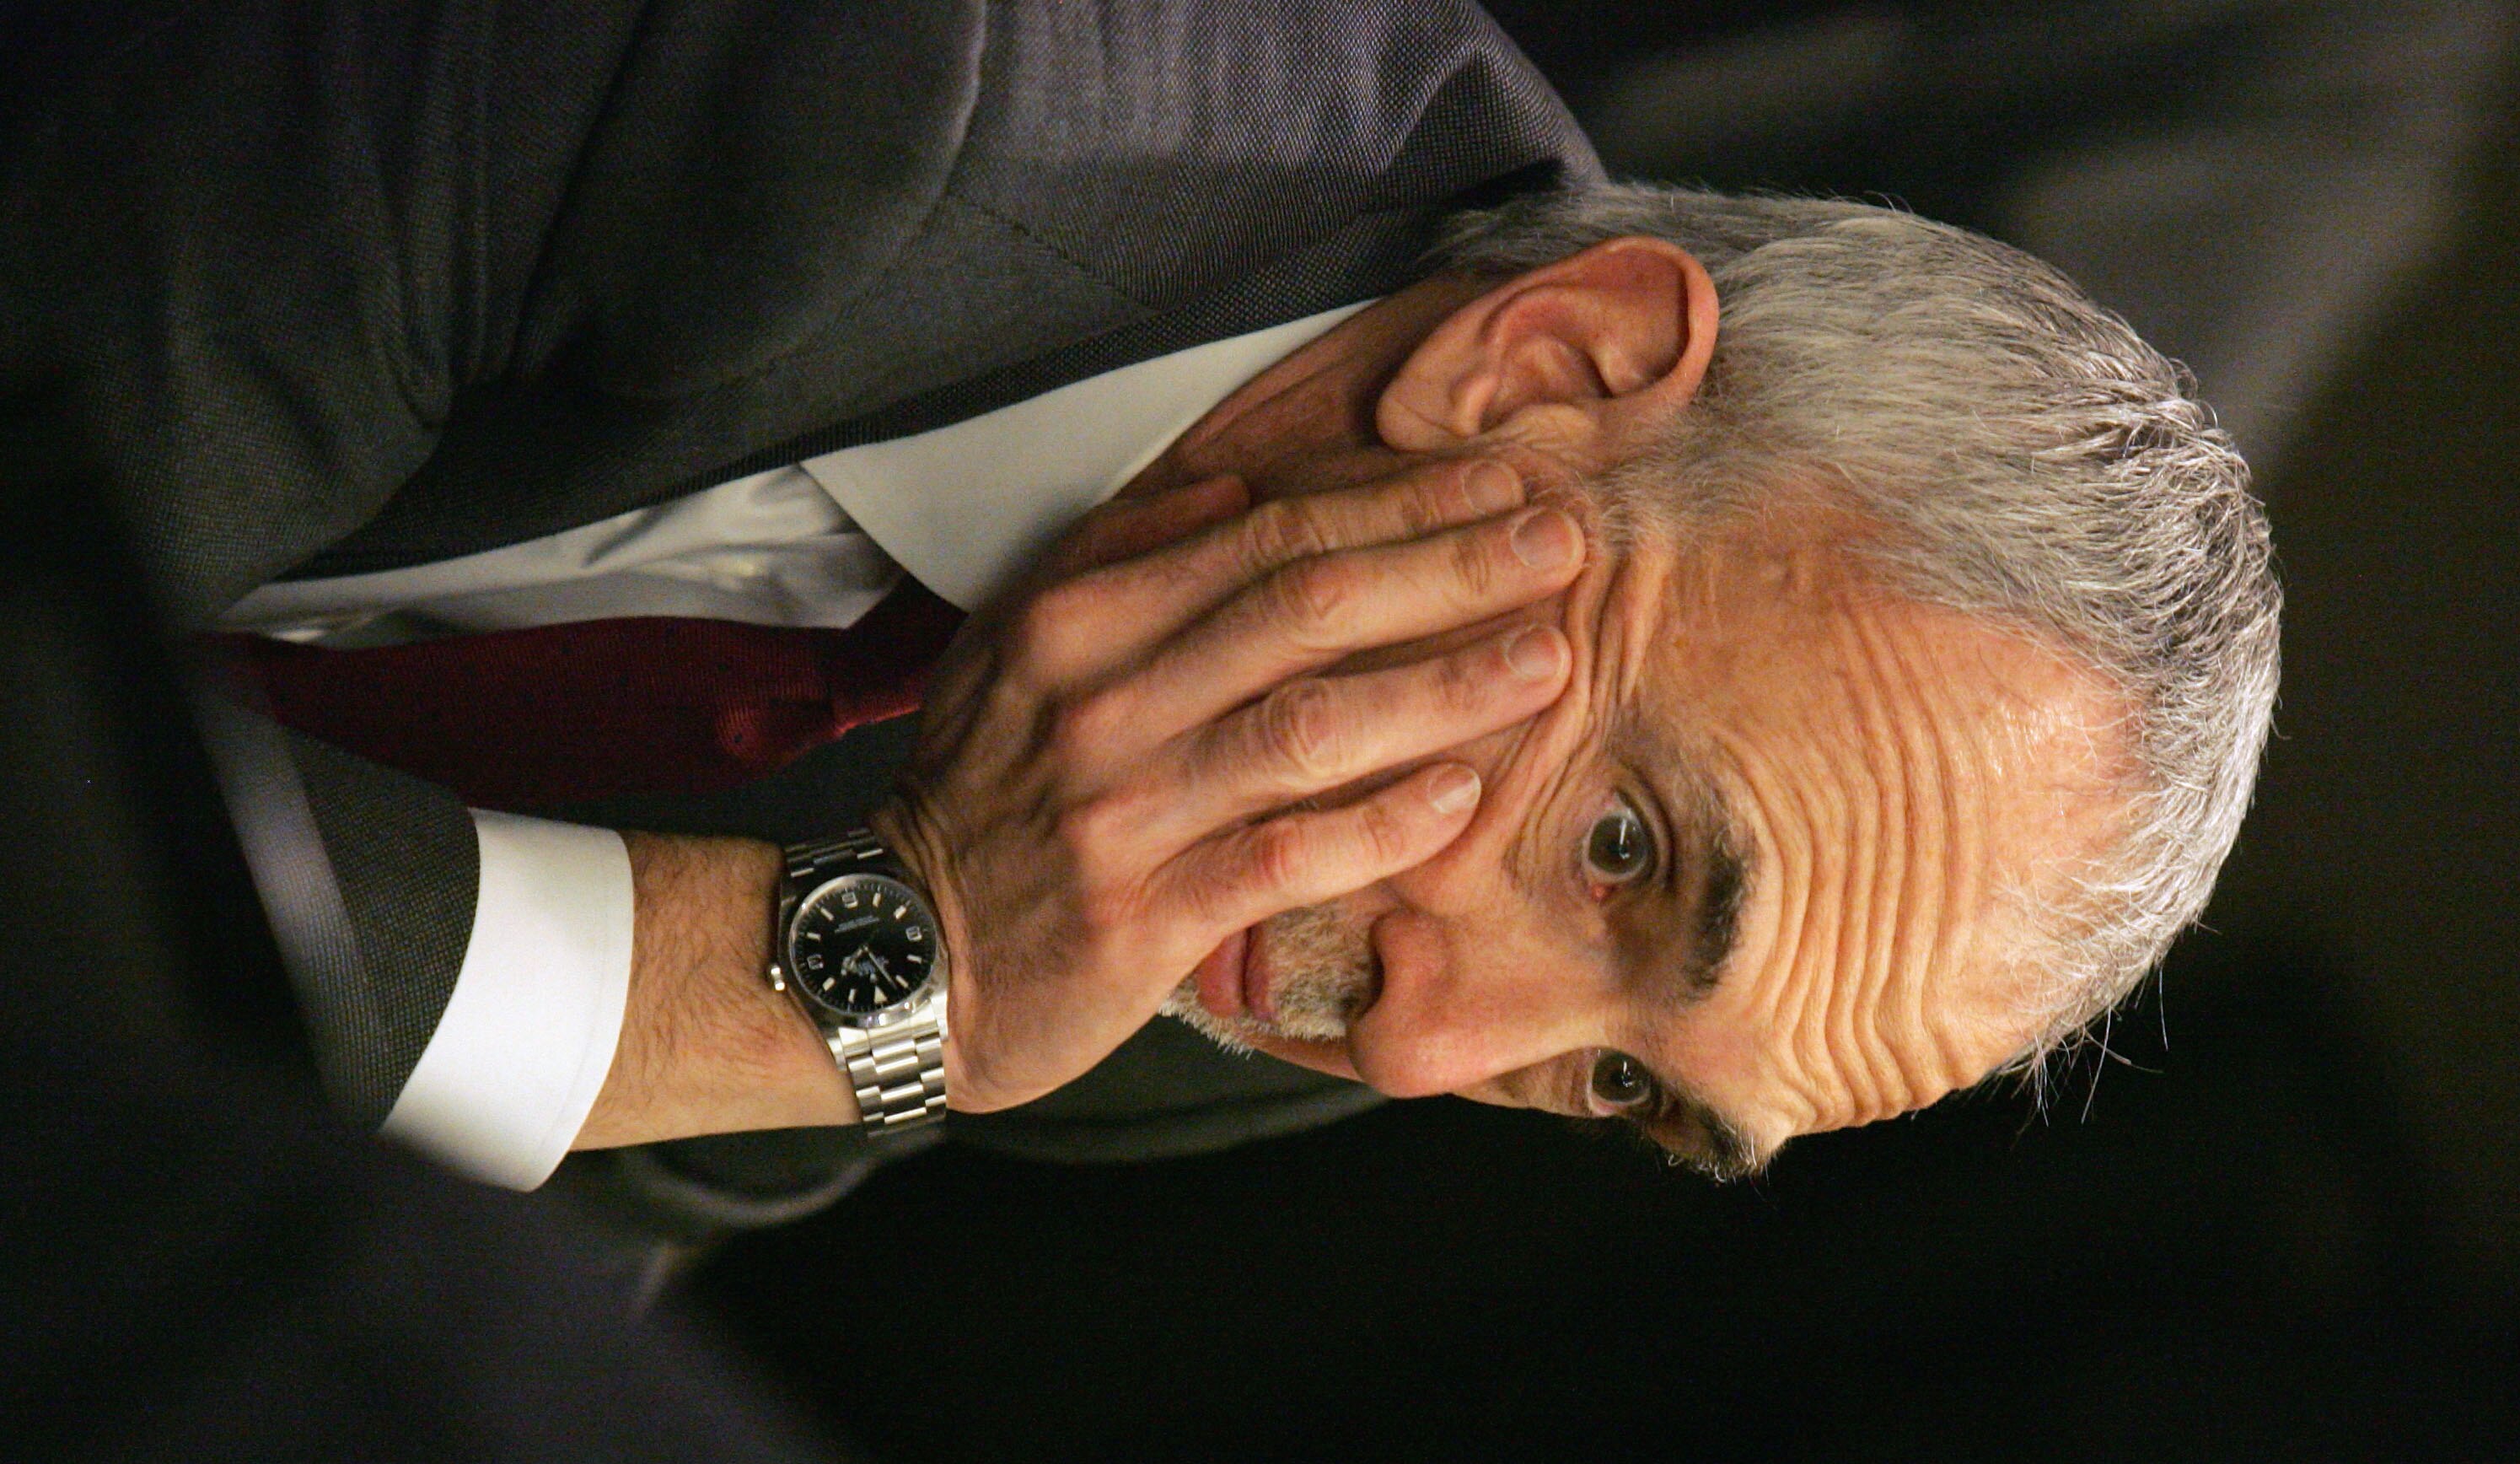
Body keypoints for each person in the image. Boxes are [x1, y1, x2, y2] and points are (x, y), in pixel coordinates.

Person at [0, 0, 2277, 1221]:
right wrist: (843, 981)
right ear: (1550, 371)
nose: (1411, 1047)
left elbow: (488, 1231)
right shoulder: (882, 72)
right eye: (1621, 848)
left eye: (1617, 1090)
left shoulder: (1263, 974)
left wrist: (851, 1000)